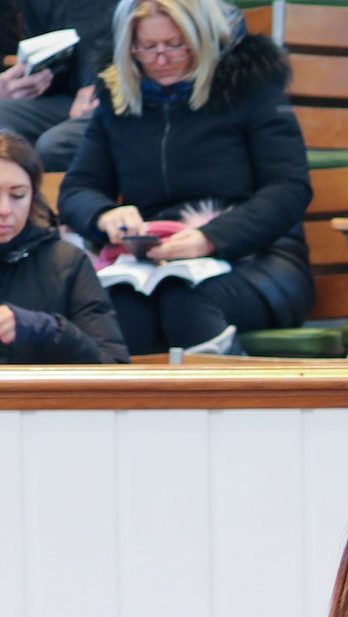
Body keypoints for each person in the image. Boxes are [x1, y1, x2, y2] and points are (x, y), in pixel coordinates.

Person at [56, 0, 312, 355]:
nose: (161, 59)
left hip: (257, 258)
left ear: (203, 38)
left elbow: (288, 188)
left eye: (176, 45)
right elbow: (77, 189)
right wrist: (104, 215)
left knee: (185, 301)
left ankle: (224, 406)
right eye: (147, 47)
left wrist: (210, 239)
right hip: (153, 261)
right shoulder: (118, 100)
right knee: (119, 312)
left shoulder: (252, 86)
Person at [0, 129, 125, 360]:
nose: (5, 210)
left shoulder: (67, 262)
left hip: (40, 396)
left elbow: (113, 364)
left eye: (18, 196)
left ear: (33, 197)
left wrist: (46, 329)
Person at [0, 0, 116, 170]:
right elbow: (37, 48)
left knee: (54, 145)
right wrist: (31, 79)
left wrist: (100, 84)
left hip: (118, 93)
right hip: (60, 94)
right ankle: (15, 192)